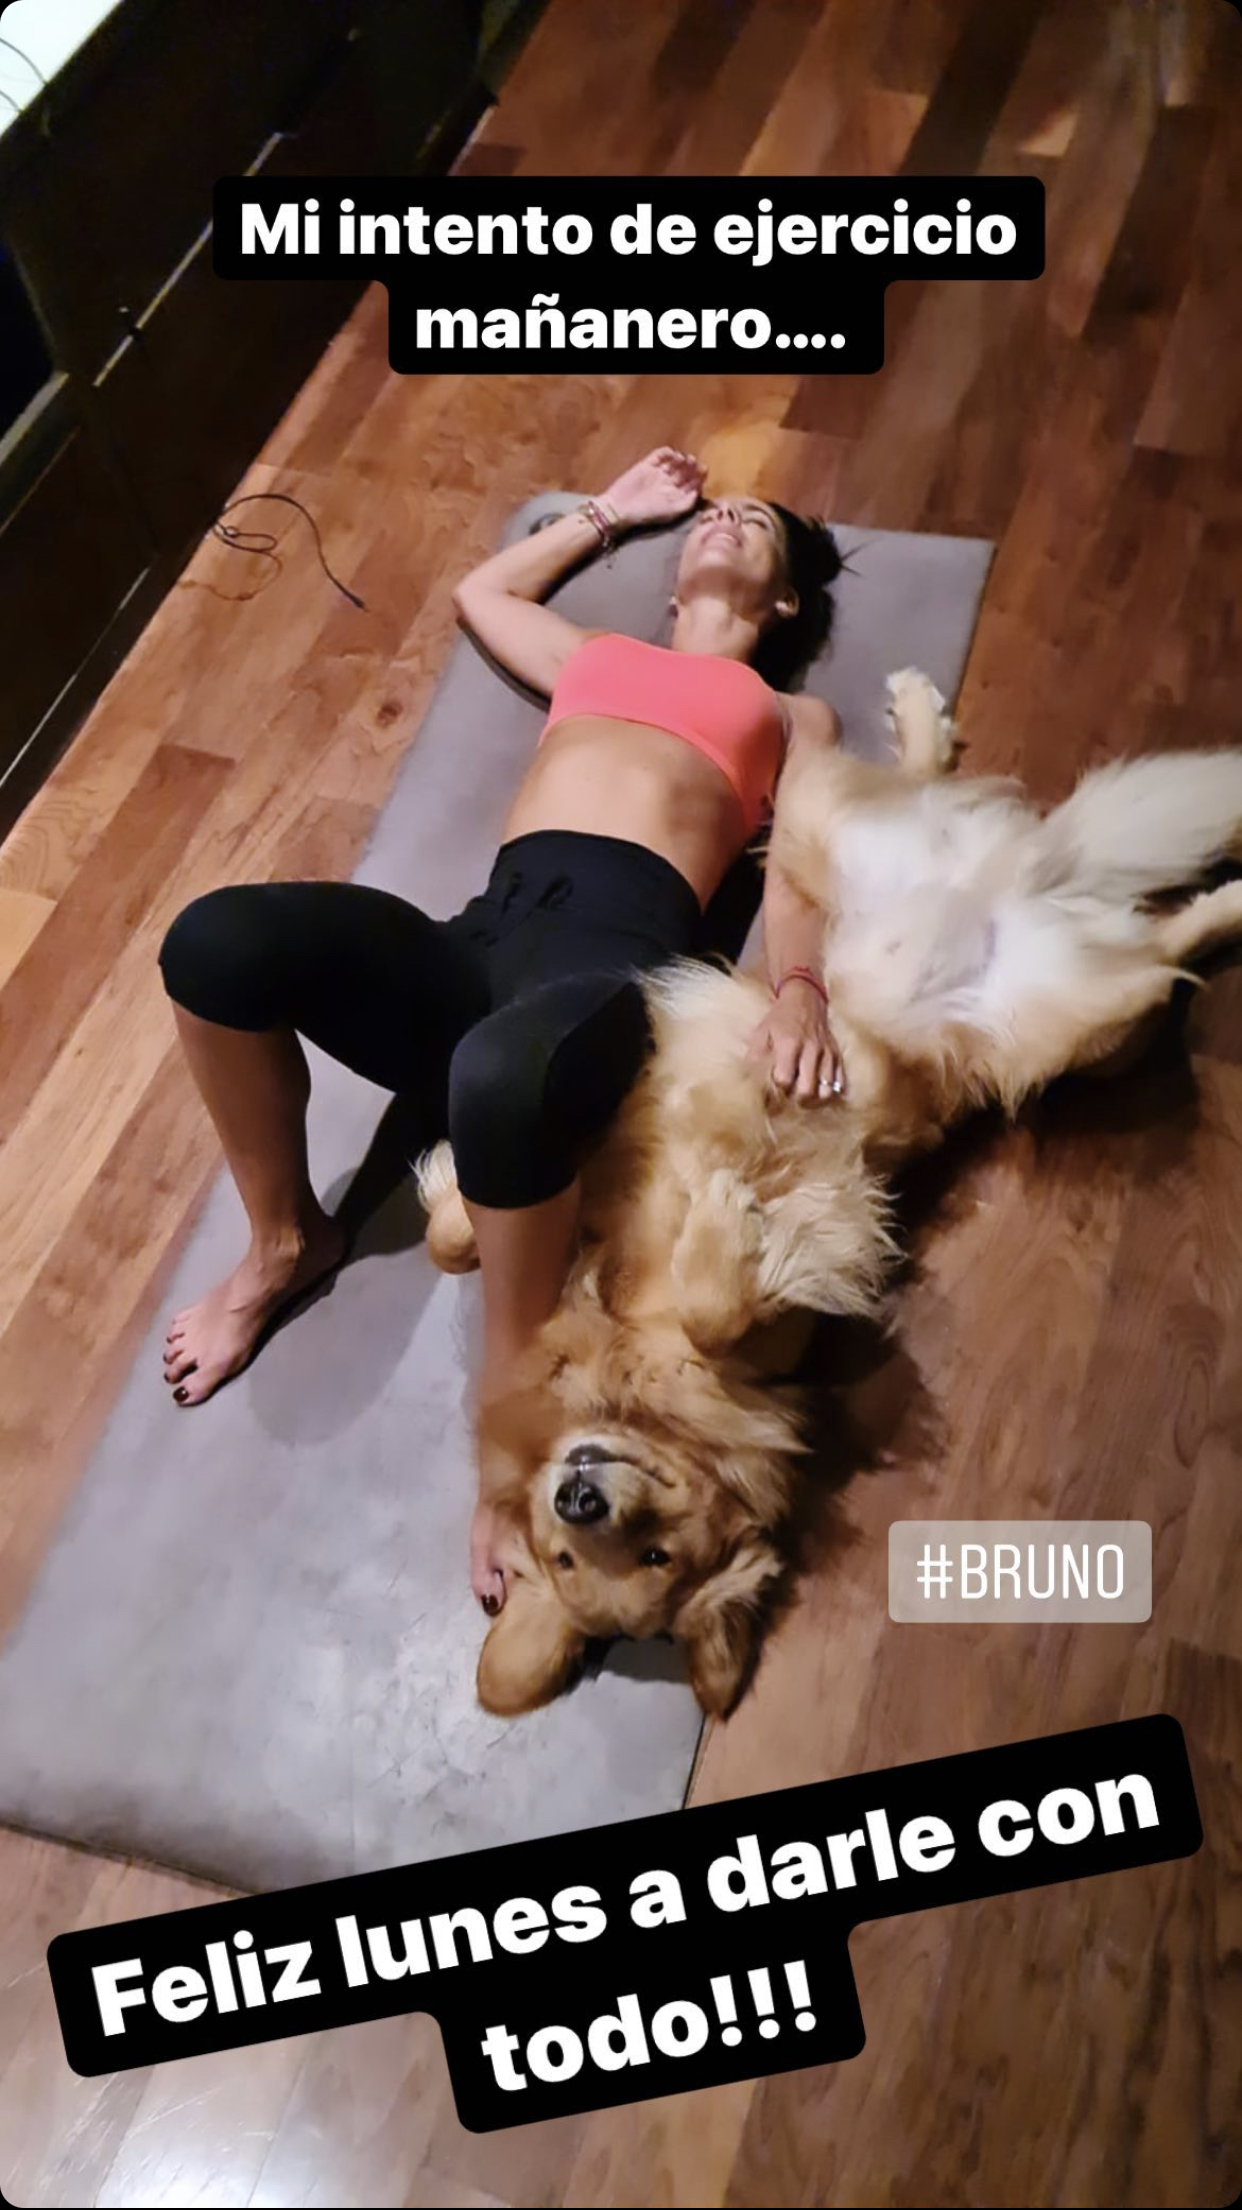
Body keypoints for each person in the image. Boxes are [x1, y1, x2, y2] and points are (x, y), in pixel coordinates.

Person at [157, 445, 846, 1613]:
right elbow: (484, 594)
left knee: (500, 1077)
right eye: (714, 513)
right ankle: (285, 1240)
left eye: (757, 522)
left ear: (783, 602)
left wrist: (801, 988)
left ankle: (513, 1429)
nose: (726, 518)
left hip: (610, 971)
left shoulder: (790, 711)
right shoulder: (597, 655)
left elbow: (803, 860)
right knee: (212, 941)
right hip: (475, 941)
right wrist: (610, 511)